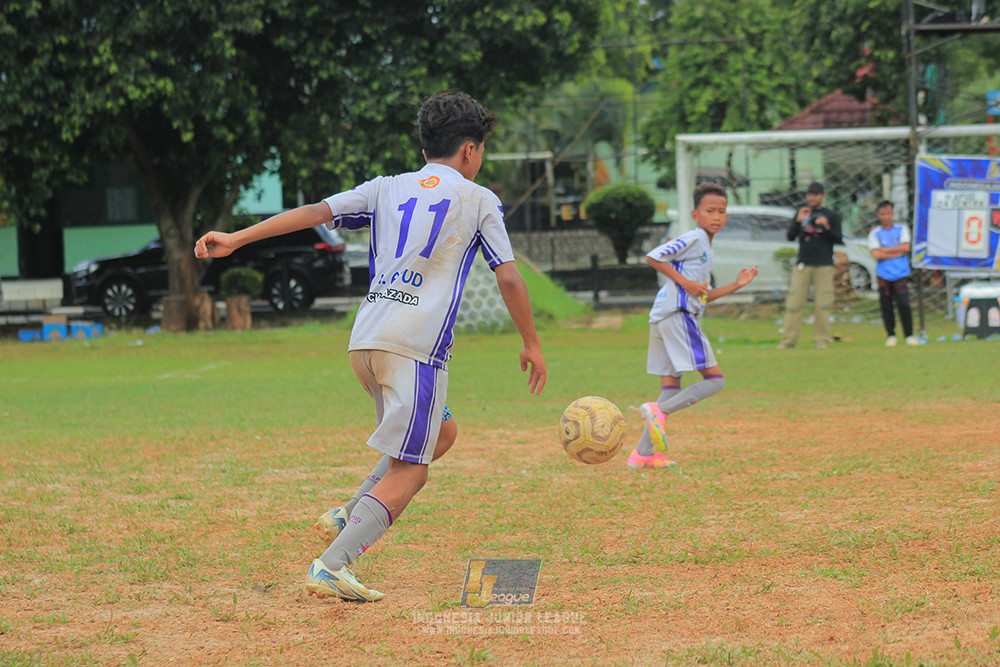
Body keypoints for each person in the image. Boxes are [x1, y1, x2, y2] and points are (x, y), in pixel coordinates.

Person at [194, 91, 547, 602]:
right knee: (412, 470)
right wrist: (532, 342)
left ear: (426, 144)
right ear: (470, 150)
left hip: (366, 342)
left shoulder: (386, 188)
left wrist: (237, 237)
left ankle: (350, 511)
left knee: (441, 432)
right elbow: (509, 277)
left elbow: (315, 212)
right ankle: (333, 563)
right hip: (415, 347)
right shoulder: (477, 199)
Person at [628, 182, 758, 470]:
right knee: (715, 380)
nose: (717, 217)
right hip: (678, 314)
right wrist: (685, 282)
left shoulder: (705, 249)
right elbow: (654, 256)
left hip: (663, 316)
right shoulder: (695, 238)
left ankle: (642, 455)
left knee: (671, 386)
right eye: (710, 210)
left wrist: (737, 285)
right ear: (695, 214)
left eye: (722, 211)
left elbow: (704, 295)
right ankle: (658, 411)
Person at [777, 181, 843, 349]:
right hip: (803, 264)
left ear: (823, 196)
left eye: (816, 194)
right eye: (810, 194)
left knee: (823, 304)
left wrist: (826, 226)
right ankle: (788, 340)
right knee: (794, 303)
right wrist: (798, 221)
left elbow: (839, 239)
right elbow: (790, 237)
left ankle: (821, 340)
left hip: (824, 264)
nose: (812, 198)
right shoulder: (801, 213)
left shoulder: (831, 215)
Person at [867, 200, 918, 346]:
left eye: (888, 213)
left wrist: (885, 250)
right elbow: (876, 255)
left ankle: (909, 335)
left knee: (904, 304)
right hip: (884, 274)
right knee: (886, 306)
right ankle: (891, 335)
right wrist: (897, 250)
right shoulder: (875, 233)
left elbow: (906, 247)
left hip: (900, 273)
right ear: (878, 215)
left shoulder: (901, 229)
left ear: (892, 213)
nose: (885, 217)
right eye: (882, 214)